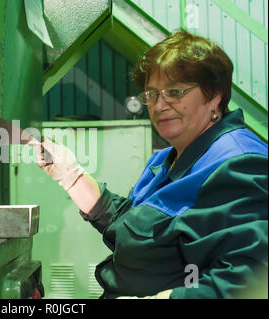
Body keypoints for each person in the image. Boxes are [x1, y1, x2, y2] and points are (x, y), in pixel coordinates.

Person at [32, 29, 268, 298]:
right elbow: (134, 224)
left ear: (214, 96)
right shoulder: (166, 159)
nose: (159, 105)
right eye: (152, 94)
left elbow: (244, 282)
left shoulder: (239, 163)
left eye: (175, 92)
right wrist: (70, 174)